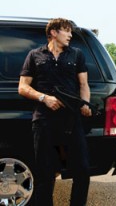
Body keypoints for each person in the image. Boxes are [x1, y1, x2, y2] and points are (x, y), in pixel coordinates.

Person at [18, 18, 92, 206]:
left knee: (82, 170)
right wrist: (44, 98)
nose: (70, 35)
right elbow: (23, 87)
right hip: (44, 121)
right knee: (45, 172)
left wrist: (85, 104)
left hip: (71, 121)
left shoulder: (76, 54)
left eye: (70, 31)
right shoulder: (35, 55)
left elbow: (84, 84)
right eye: (66, 31)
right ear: (53, 32)